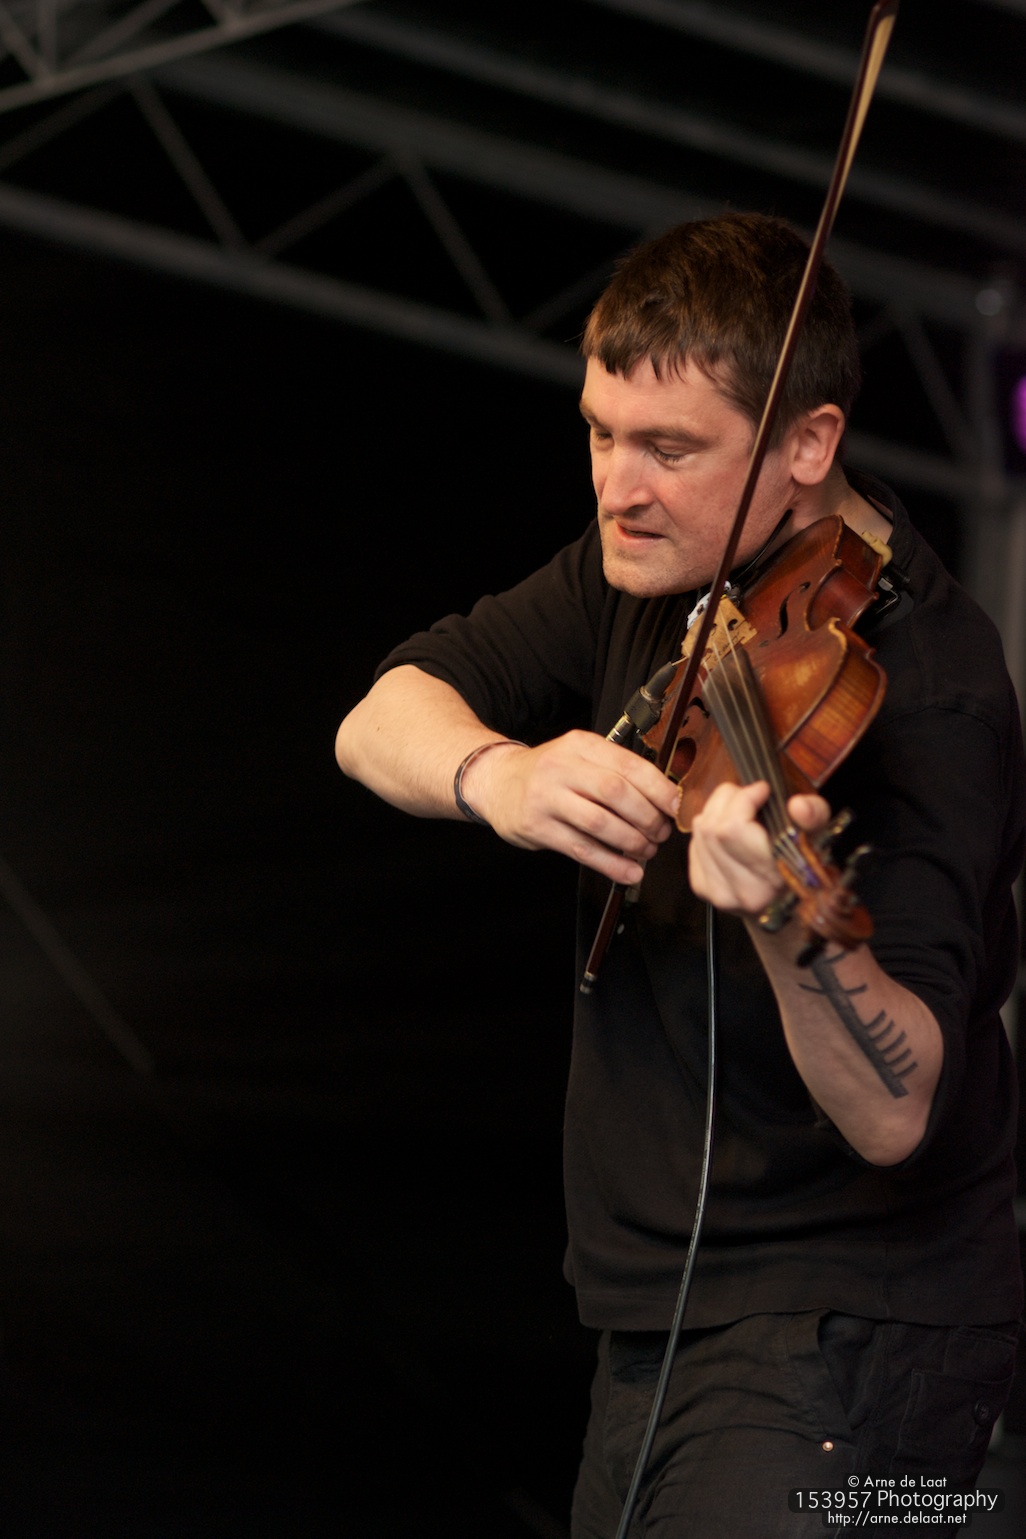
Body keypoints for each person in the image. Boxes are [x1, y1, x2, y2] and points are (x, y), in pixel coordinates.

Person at [335, 213, 1024, 1536]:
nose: (618, 486)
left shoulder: (932, 687)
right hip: (652, 1316)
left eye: (667, 448)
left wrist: (784, 916)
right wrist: (502, 776)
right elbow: (377, 718)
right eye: (599, 434)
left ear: (808, 444)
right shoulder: (657, 573)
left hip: (860, 1334)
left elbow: (898, 1109)